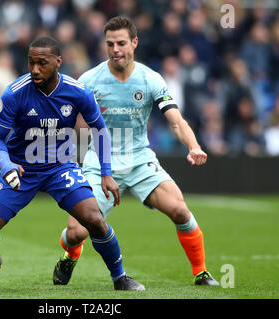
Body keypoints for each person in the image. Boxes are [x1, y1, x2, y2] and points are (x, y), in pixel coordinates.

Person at [52, 16, 219, 287]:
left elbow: (176, 121)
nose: (115, 49)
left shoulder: (150, 79)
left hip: (140, 158)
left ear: (134, 43)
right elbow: (68, 122)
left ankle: (201, 272)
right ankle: (70, 254)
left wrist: (194, 145)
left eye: (121, 43)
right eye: (110, 44)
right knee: (75, 231)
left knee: (179, 210)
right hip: (100, 161)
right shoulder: (90, 80)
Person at [0, 36, 145, 291]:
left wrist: (106, 173)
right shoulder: (14, 93)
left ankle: (120, 278)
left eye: (42, 63)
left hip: (60, 167)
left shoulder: (78, 92)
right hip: (22, 168)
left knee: (94, 219)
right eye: (31, 63)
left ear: (58, 62)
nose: (34, 69)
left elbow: (100, 131)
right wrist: (6, 166)